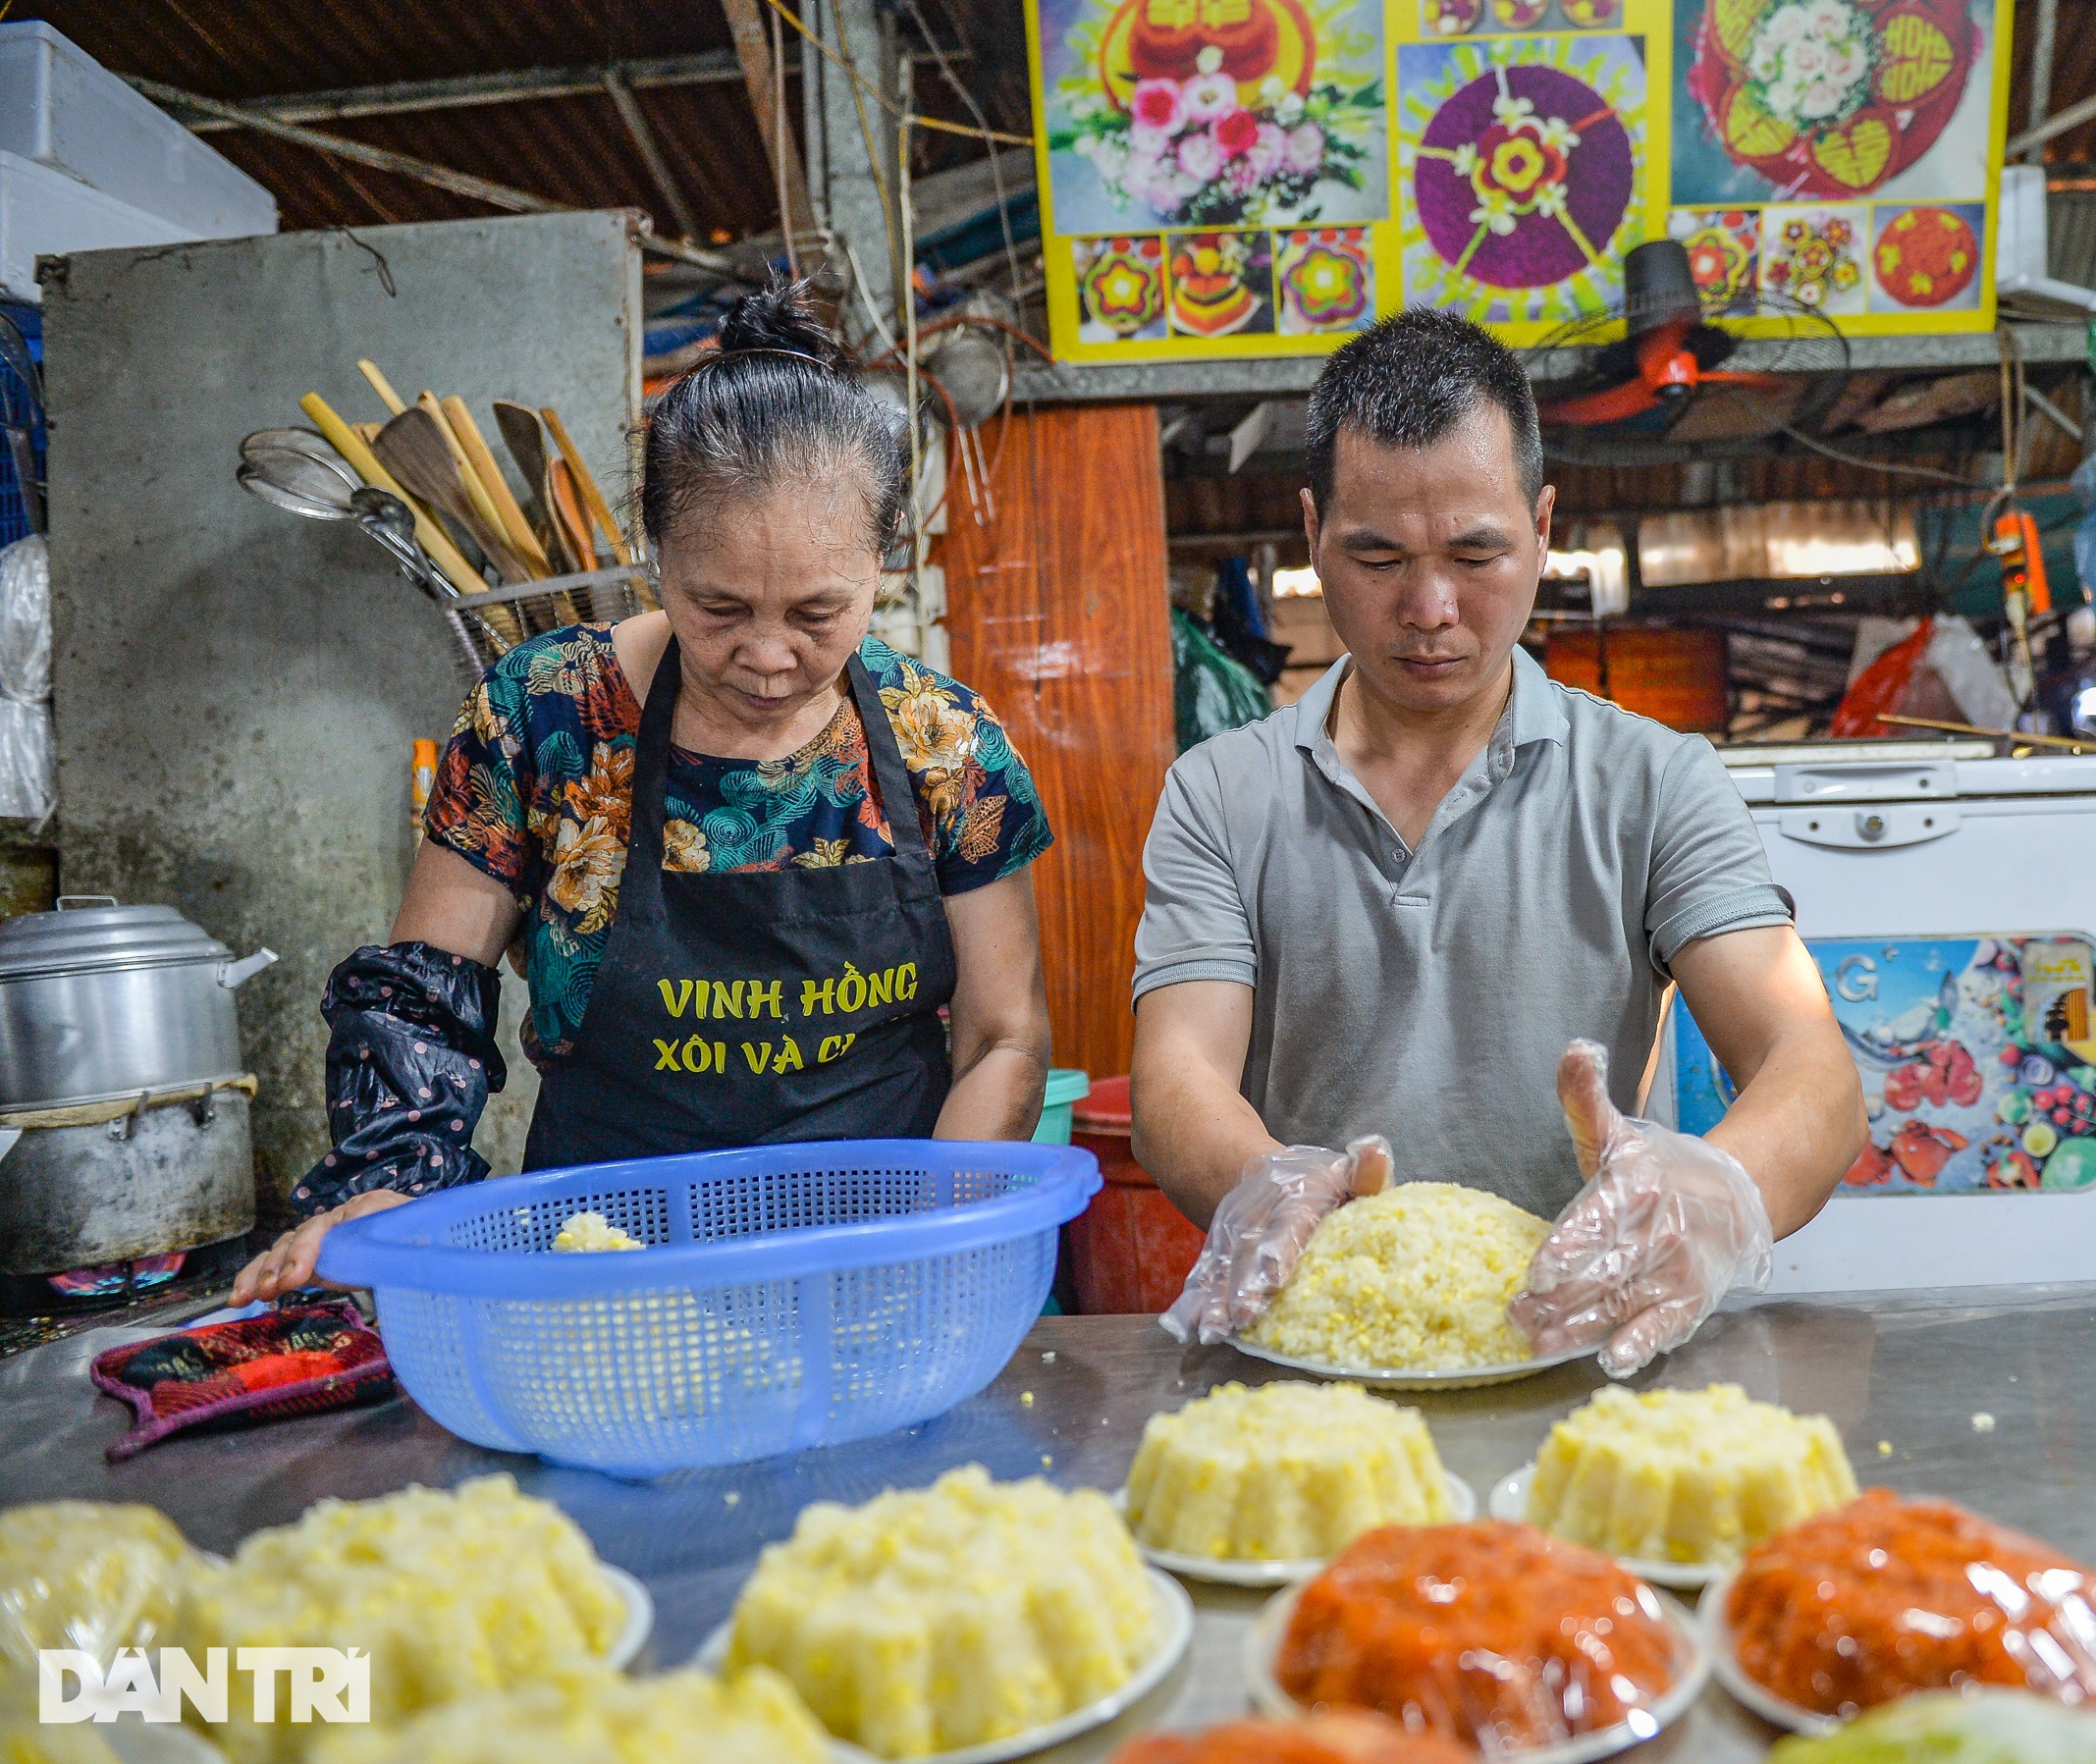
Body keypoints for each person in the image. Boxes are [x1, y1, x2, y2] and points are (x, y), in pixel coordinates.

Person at [234, 286, 1053, 1302]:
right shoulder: (543, 717)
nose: (766, 655)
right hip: (602, 1268)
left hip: (875, 1257)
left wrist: (932, 1241)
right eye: (717, 606)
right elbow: (424, 990)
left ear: (883, 556)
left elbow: (1003, 1037)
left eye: (817, 612)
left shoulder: (947, 745)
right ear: (653, 549)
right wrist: (395, 1177)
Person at [1133, 309, 1864, 1375]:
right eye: (1377, 556)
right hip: (1316, 1352)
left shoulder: (1654, 781)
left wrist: (1713, 1195)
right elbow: (1176, 1077)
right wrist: (1272, 1187)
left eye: (1478, 553)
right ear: (1312, 533)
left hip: (1580, 1341)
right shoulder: (1222, 793)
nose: (1431, 610)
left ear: (1545, 525)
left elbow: (1809, 1063)